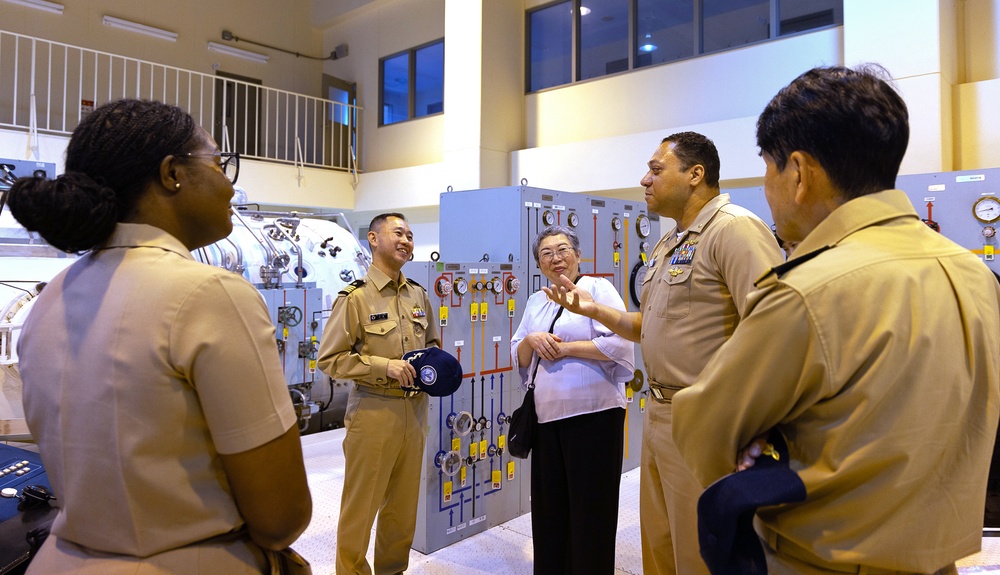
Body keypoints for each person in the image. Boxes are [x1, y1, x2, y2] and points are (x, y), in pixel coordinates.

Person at [672, 65, 1000, 574]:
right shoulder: (974, 274)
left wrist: (764, 452)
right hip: (939, 561)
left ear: (799, 173)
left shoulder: (808, 290)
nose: (767, 187)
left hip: (821, 562)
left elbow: (703, 429)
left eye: (768, 169)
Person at [6, 99, 312, 573]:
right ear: (172, 173)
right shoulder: (209, 294)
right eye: (218, 163)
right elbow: (280, 517)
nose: (230, 185)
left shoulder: (51, 298)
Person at [544, 132, 783, 575]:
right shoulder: (668, 244)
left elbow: (774, 329)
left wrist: (754, 425)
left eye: (656, 170)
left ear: (696, 175)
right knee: (659, 546)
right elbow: (648, 325)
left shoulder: (733, 229)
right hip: (657, 415)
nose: (644, 180)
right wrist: (594, 309)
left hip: (705, 418)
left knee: (701, 552)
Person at [317, 212, 440, 575]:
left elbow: (431, 344)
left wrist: (437, 369)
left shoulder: (418, 294)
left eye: (411, 235)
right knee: (361, 509)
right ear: (373, 239)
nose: (406, 240)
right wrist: (382, 366)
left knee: (401, 511)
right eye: (398, 233)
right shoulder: (355, 298)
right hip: (373, 411)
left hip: (415, 412)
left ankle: (392, 571)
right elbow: (331, 359)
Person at [510, 225, 635, 575]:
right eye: (546, 253)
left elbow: (621, 344)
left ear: (578, 256)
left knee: (591, 512)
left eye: (563, 250)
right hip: (546, 420)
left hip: (594, 417)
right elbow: (516, 353)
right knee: (550, 514)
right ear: (539, 263)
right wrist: (531, 340)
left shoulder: (598, 289)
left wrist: (565, 349)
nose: (556, 258)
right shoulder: (537, 300)